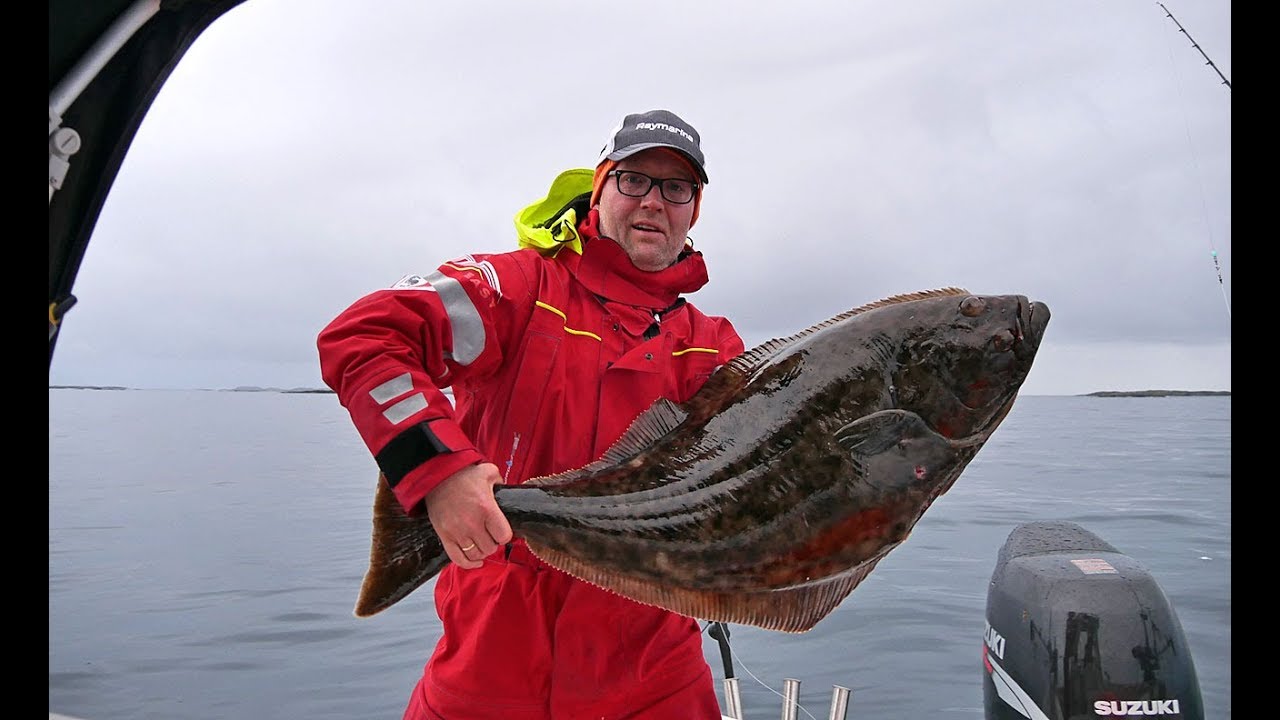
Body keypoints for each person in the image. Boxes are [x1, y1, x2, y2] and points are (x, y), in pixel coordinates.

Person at [317, 109, 745, 720]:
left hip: (660, 683)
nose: (654, 201)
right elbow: (365, 337)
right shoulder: (517, 290)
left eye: (676, 188)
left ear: (694, 210)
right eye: (634, 180)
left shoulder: (714, 346)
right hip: (488, 673)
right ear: (600, 187)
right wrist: (438, 472)